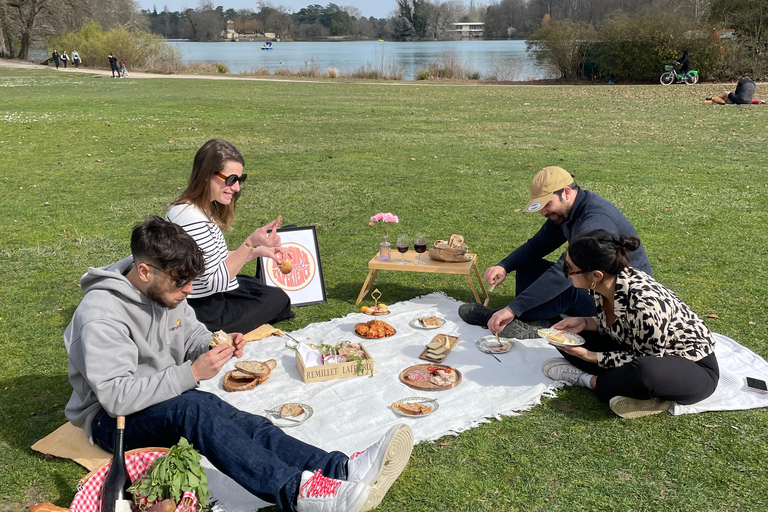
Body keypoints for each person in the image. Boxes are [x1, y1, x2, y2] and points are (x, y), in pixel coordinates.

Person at [64, 216, 413, 512]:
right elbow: (117, 397)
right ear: (144, 271)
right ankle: (297, 493)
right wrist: (190, 373)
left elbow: (191, 332)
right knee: (195, 410)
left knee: (243, 421)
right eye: (181, 282)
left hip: (163, 396)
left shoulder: (165, 287)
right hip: (111, 421)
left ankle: (339, 469)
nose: (188, 290)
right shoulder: (101, 314)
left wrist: (214, 343)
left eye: (191, 281)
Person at [541, 229, 719, 419]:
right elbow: (623, 326)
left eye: (569, 268)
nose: (565, 273)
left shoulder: (644, 304)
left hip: (691, 366)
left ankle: (588, 380)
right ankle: (636, 393)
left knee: (644, 373)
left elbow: (647, 358)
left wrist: (590, 356)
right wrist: (585, 323)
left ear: (596, 275)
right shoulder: (606, 284)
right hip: (634, 348)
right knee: (567, 337)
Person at [459, 166, 651, 338]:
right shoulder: (567, 211)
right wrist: (504, 266)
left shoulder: (595, 220)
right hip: (595, 285)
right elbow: (538, 245)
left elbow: (564, 272)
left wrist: (513, 308)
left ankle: (504, 317)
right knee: (528, 264)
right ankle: (533, 319)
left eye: (547, 204)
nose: (543, 212)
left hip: (618, 302)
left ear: (566, 192)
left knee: (571, 283)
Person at [167, 139, 293, 334]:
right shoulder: (193, 220)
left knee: (256, 286)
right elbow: (215, 281)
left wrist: (257, 251)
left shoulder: (189, 208)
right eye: (231, 179)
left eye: (240, 180)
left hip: (202, 298)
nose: (236, 188)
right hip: (202, 310)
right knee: (278, 300)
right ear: (206, 175)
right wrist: (250, 243)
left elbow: (210, 261)